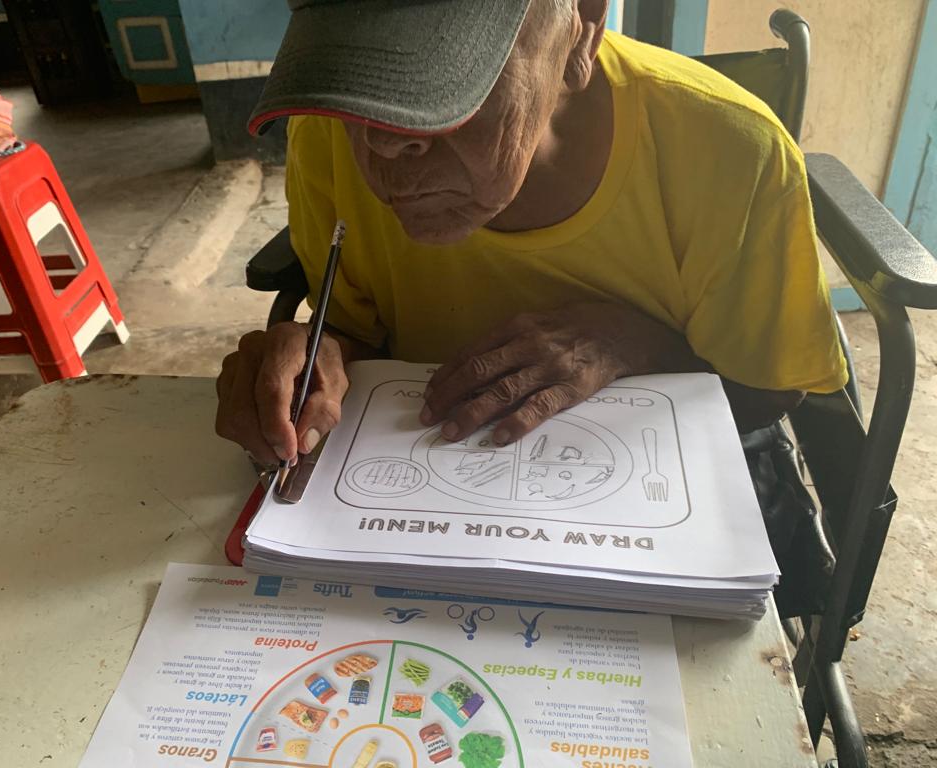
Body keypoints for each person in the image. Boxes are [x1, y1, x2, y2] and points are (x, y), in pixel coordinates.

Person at [216, 0, 847, 483]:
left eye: (445, 84)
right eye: (356, 80)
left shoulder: (729, 151)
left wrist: (640, 344)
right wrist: (317, 353)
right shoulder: (326, 134)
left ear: (582, 25)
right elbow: (358, 329)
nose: (381, 143)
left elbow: (767, 389)